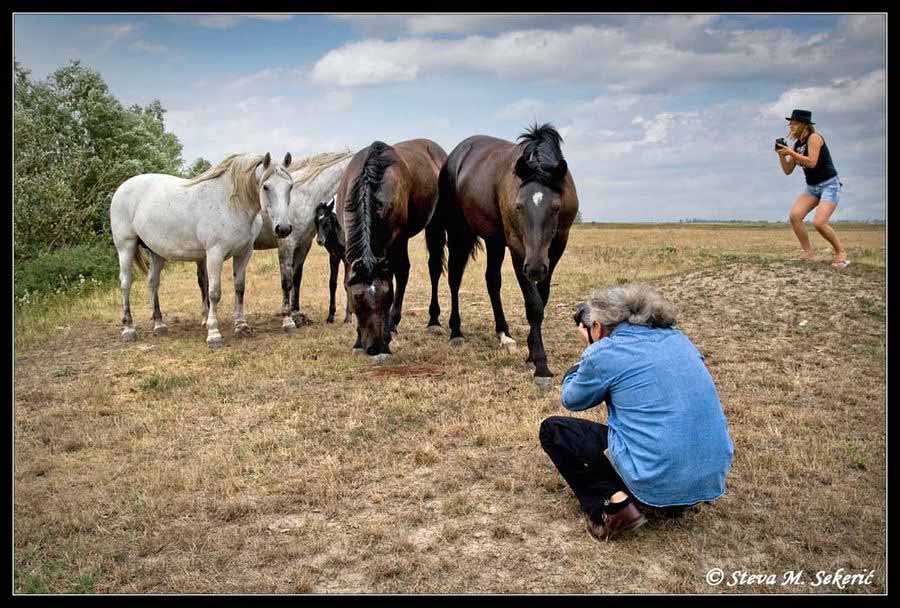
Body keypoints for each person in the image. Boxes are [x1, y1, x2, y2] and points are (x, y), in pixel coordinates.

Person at [539, 284, 734, 542]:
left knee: (553, 430)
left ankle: (613, 508)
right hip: (709, 477)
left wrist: (587, 352)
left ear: (597, 327)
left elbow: (572, 399)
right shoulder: (678, 338)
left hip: (656, 476)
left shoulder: (605, 351)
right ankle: (676, 500)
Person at [776, 109, 849, 269]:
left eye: (794, 123)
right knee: (795, 216)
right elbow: (788, 170)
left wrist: (790, 152)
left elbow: (811, 162)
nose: (790, 126)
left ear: (804, 124)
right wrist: (782, 154)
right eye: (790, 123)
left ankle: (841, 253)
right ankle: (808, 253)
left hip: (829, 184)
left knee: (819, 222)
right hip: (812, 187)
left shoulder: (814, 138)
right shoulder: (797, 144)